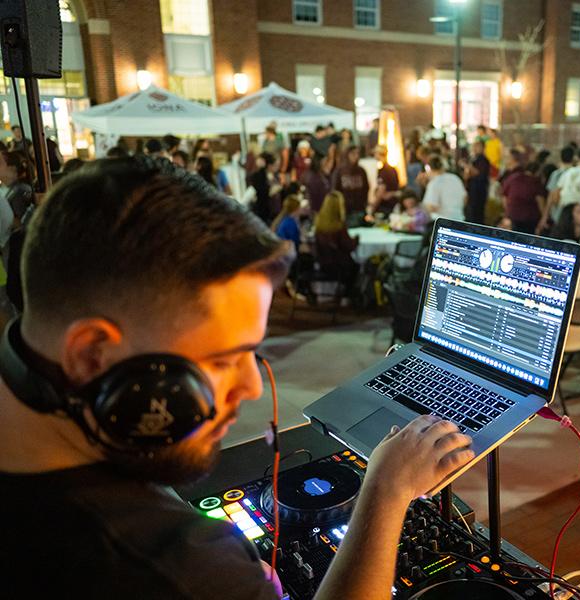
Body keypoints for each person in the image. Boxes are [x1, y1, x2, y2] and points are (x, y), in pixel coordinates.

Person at [0, 157, 474, 599]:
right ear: (90, 354)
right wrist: (386, 492)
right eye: (226, 357)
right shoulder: (174, 568)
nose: (251, 387)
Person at [314, 191, 360, 293]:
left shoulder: (319, 226)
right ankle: (348, 294)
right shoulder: (339, 227)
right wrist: (357, 240)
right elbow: (349, 246)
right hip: (340, 266)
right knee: (358, 266)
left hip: (323, 263)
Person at [500, 152, 545, 234]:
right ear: (537, 173)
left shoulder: (512, 178)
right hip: (529, 219)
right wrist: (544, 218)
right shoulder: (535, 182)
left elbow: (504, 197)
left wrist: (508, 212)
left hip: (512, 216)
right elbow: (540, 201)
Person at [331, 146, 370, 226]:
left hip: (359, 209)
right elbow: (335, 190)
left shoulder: (361, 171)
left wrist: (364, 204)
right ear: (347, 155)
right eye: (353, 154)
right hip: (345, 211)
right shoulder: (339, 171)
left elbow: (366, 188)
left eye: (357, 154)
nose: (356, 156)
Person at [422, 155, 466, 221]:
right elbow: (465, 198)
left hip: (443, 222)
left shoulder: (434, 183)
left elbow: (431, 207)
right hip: (459, 219)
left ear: (429, 168)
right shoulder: (455, 178)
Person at [247, 152, 282, 225]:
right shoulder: (259, 176)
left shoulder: (275, 175)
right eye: (275, 165)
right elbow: (261, 192)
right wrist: (273, 190)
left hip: (276, 209)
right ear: (269, 165)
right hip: (265, 210)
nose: (277, 168)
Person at [464, 140, 490, 224]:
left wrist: (467, 166)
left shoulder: (483, 160)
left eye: (477, 146)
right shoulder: (472, 159)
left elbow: (478, 172)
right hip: (472, 190)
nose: (475, 148)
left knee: (477, 214)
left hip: (479, 191)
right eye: (474, 146)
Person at [371, 145, 401, 215]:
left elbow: (381, 191)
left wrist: (373, 207)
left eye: (375, 153)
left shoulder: (383, 171)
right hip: (393, 205)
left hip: (385, 207)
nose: (374, 155)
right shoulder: (393, 169)